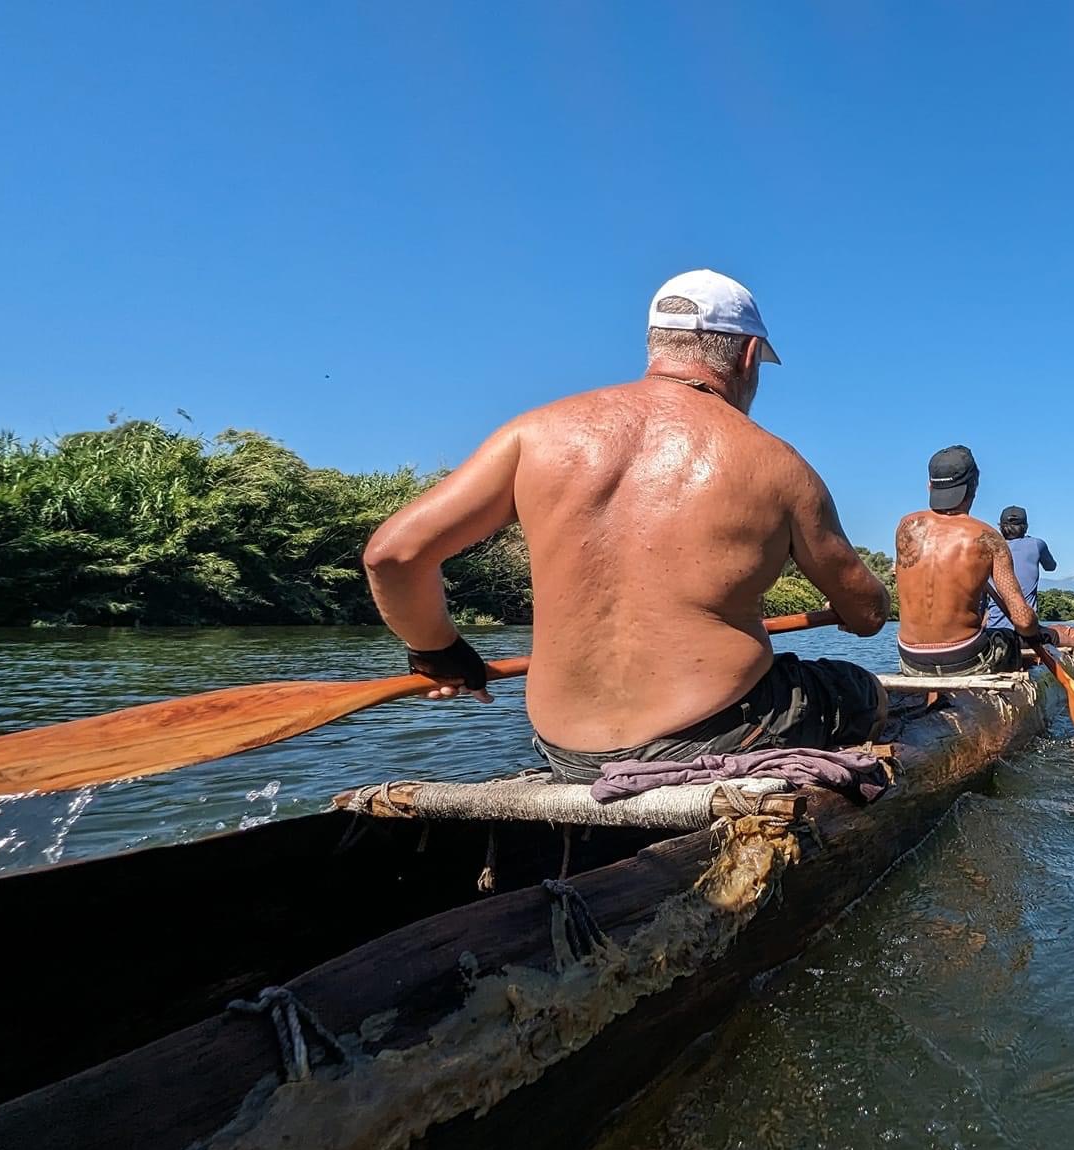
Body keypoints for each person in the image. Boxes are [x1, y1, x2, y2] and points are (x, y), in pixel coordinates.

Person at [364, 269, 891, 783]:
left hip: (568, 752)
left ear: (656, 345)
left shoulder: (532, 435)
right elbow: (868, 614)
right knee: (858, 687)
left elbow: (393, 555)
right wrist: (856, 608)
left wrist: (437, 649)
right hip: (720, 731)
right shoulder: (778, 465)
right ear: (748, 356)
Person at [892, 446, 1052, 676]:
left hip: (910, 659)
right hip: (964, 658)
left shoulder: (905, 527)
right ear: (974, 486)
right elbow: (1023, 621)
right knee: (1007, 639)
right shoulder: (988, 538)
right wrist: (1038, 630)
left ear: (930, 485)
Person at [982, 505, 1056, 632]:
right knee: (1062, 637)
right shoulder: (1037, 544)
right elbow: (1051, 567)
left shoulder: (989, 548)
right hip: (1025, 630)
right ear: (1026, 527)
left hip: (993, 628)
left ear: (1000, 527)